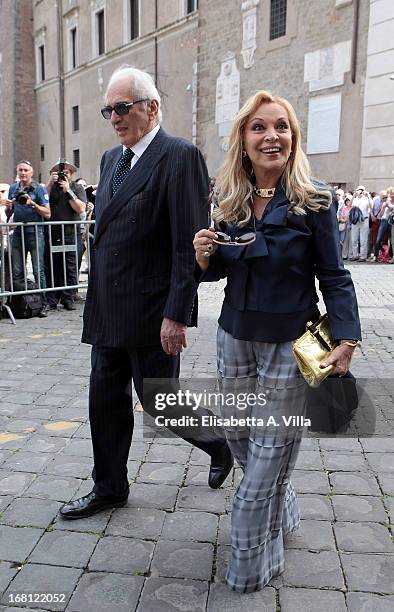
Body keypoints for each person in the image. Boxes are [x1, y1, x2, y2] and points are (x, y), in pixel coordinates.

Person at [193, 90, 361, 593]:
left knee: (267, 454)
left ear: (294, 137)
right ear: (243, 140)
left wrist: (347, 335)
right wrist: (204, 257)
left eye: (281, 127)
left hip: (295, 341)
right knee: (242, 438)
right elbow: (218, 268)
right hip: (234, 338)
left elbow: (335, 275)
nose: (272, 137)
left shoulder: (315, 199)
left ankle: (252, 561)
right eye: (260, 128)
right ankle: (283, 506)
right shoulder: (227, 199)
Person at [59, 65, 232, 520]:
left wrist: (177, 313)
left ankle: (220, 444)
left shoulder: (179, 156)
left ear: (152, 107)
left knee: (162, 402)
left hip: (153, 311)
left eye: (123, 107)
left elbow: (186, 245)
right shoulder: (111, 160)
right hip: (109, 310)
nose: (114, 117)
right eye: (108, 110)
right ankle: (109, 487)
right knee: (104, 400)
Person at [8, 161, 50, 310]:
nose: (23, 173)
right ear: (17, 172)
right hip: (18, 233)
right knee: (17, 270)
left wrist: (32, 204)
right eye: (20, 170)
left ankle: (43, 303)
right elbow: (10, 211)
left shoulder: (39, 188)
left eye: (26, 170)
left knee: (38, 270)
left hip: (35, 232)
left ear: (31, 172)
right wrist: (8, 205)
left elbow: (48, 213)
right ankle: (19, 304)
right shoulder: (13, 188)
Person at [45, 161, 86, 310]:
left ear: (72, 174)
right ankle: (52, 299)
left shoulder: (77, 187)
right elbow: (43, 201)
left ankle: (68, 298)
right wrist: (50, 183)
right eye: (58, 173)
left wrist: (68, 190)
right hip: (53, 232)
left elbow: (80, 208)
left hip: (70, 232)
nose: (63, 175)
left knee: (70, 265)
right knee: (53, 265)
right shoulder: (51, 187)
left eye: (66, 173)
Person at [371, 187, 394, 262]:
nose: (391, 196)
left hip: (392, 222)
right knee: (379, 238)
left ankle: (390, 255)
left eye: (392, 194)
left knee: (391, 240)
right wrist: (383, 208)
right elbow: (380, 215)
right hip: (384, 220)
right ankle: (376, 255)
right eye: (390, 194)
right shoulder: (386, 202)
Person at [350, 186, 372, 261]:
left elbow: (371, 207)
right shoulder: (355, 199)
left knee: (363, 239)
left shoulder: (366, 199)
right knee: (354, 239)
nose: (359, 192)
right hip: (355, 220)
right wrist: (353, 196)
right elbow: (349, 205)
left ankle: (363, 256)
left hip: (364, 220)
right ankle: (355, 255)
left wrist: (368, 197)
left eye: (360, 190)